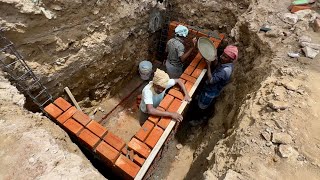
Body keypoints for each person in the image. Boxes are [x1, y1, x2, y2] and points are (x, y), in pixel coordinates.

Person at [190, 45, 238, 125]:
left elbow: (211, 80)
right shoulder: (226, 64)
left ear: (231, 59)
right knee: (200, 102)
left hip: (210, 91)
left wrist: (208, 65)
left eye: (225, 57)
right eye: (222, 54)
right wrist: (215, 60)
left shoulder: (225, 71)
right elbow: (217, 67)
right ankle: (200, 107)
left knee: (201, 108)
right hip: (208, 88)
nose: (221, 57)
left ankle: (199, 119)